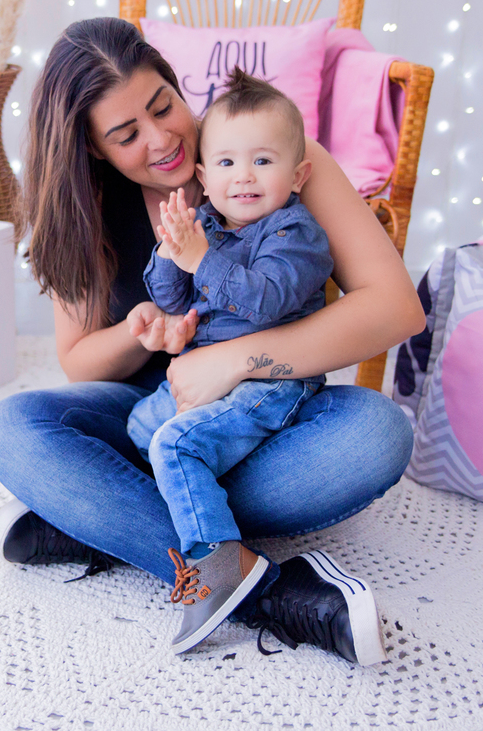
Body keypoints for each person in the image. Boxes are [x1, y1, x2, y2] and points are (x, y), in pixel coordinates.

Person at [0, 17, 424, 667]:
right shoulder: (83, 208)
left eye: (164, 105)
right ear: (95, 150)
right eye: (127, 135)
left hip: (262, 419)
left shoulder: (272, 158)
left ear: (174, 83)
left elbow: (395, 309)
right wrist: (138, 334)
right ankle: (268, 593)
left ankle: (102, 520)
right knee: (10, 429)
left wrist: (232, 360)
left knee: (378, 433)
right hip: (147, 419)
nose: (161, 139)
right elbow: (80, 362)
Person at [125, 68, 333, 654]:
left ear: (298, 175)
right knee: (141, 425)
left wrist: (199, 260)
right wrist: (171, 254)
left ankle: (219, 569)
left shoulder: (296, 231)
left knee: (173, 445)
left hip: (269, 381)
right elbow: (174, 299)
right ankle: (200, 499)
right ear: (203, 177)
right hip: (205, 375)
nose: (243, 175)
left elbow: (267, 299)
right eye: (226, 164)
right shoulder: (208, 226)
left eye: (263, 162)